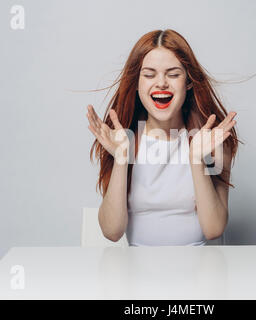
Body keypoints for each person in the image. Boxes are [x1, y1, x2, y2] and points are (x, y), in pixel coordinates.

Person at [86, 29, 241, 246]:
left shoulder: (212, 141)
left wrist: (196, 158)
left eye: (173, 74)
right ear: (137, 83)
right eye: (149, 75)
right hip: (137, 275)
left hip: (198, 275)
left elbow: (214, 228)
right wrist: (121, 157)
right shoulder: (121, 139)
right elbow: (112, 231)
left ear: (188, 82)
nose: (161, 83)